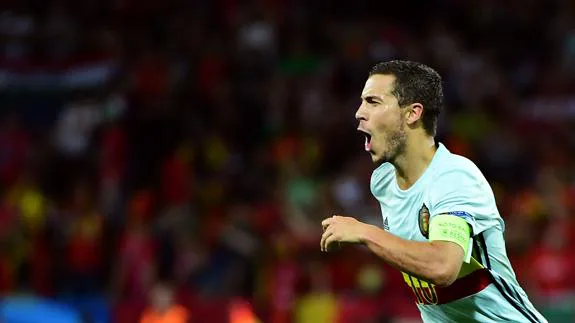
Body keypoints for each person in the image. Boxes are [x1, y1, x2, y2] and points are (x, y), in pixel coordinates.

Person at [320, 60, 547, 322]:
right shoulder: (383, 182)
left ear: (412, 113)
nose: (359, 112)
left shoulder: (454, 177)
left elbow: (443, 267)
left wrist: (366, 233)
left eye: (373, 102)